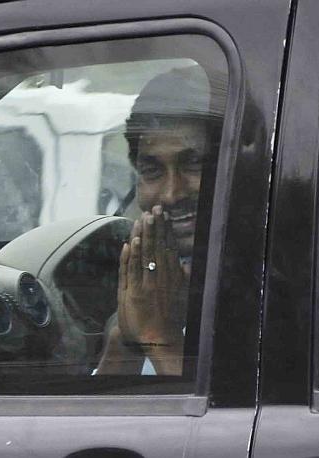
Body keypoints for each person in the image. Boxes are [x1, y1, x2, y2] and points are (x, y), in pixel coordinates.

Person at [97, 66, 224, 375]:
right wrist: (127, 334)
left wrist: (159, 336)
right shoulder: (166, 283)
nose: (170, 194)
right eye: (152, 171)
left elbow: (218, 421)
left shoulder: (275, 283)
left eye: (194, 164)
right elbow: (93, 418)